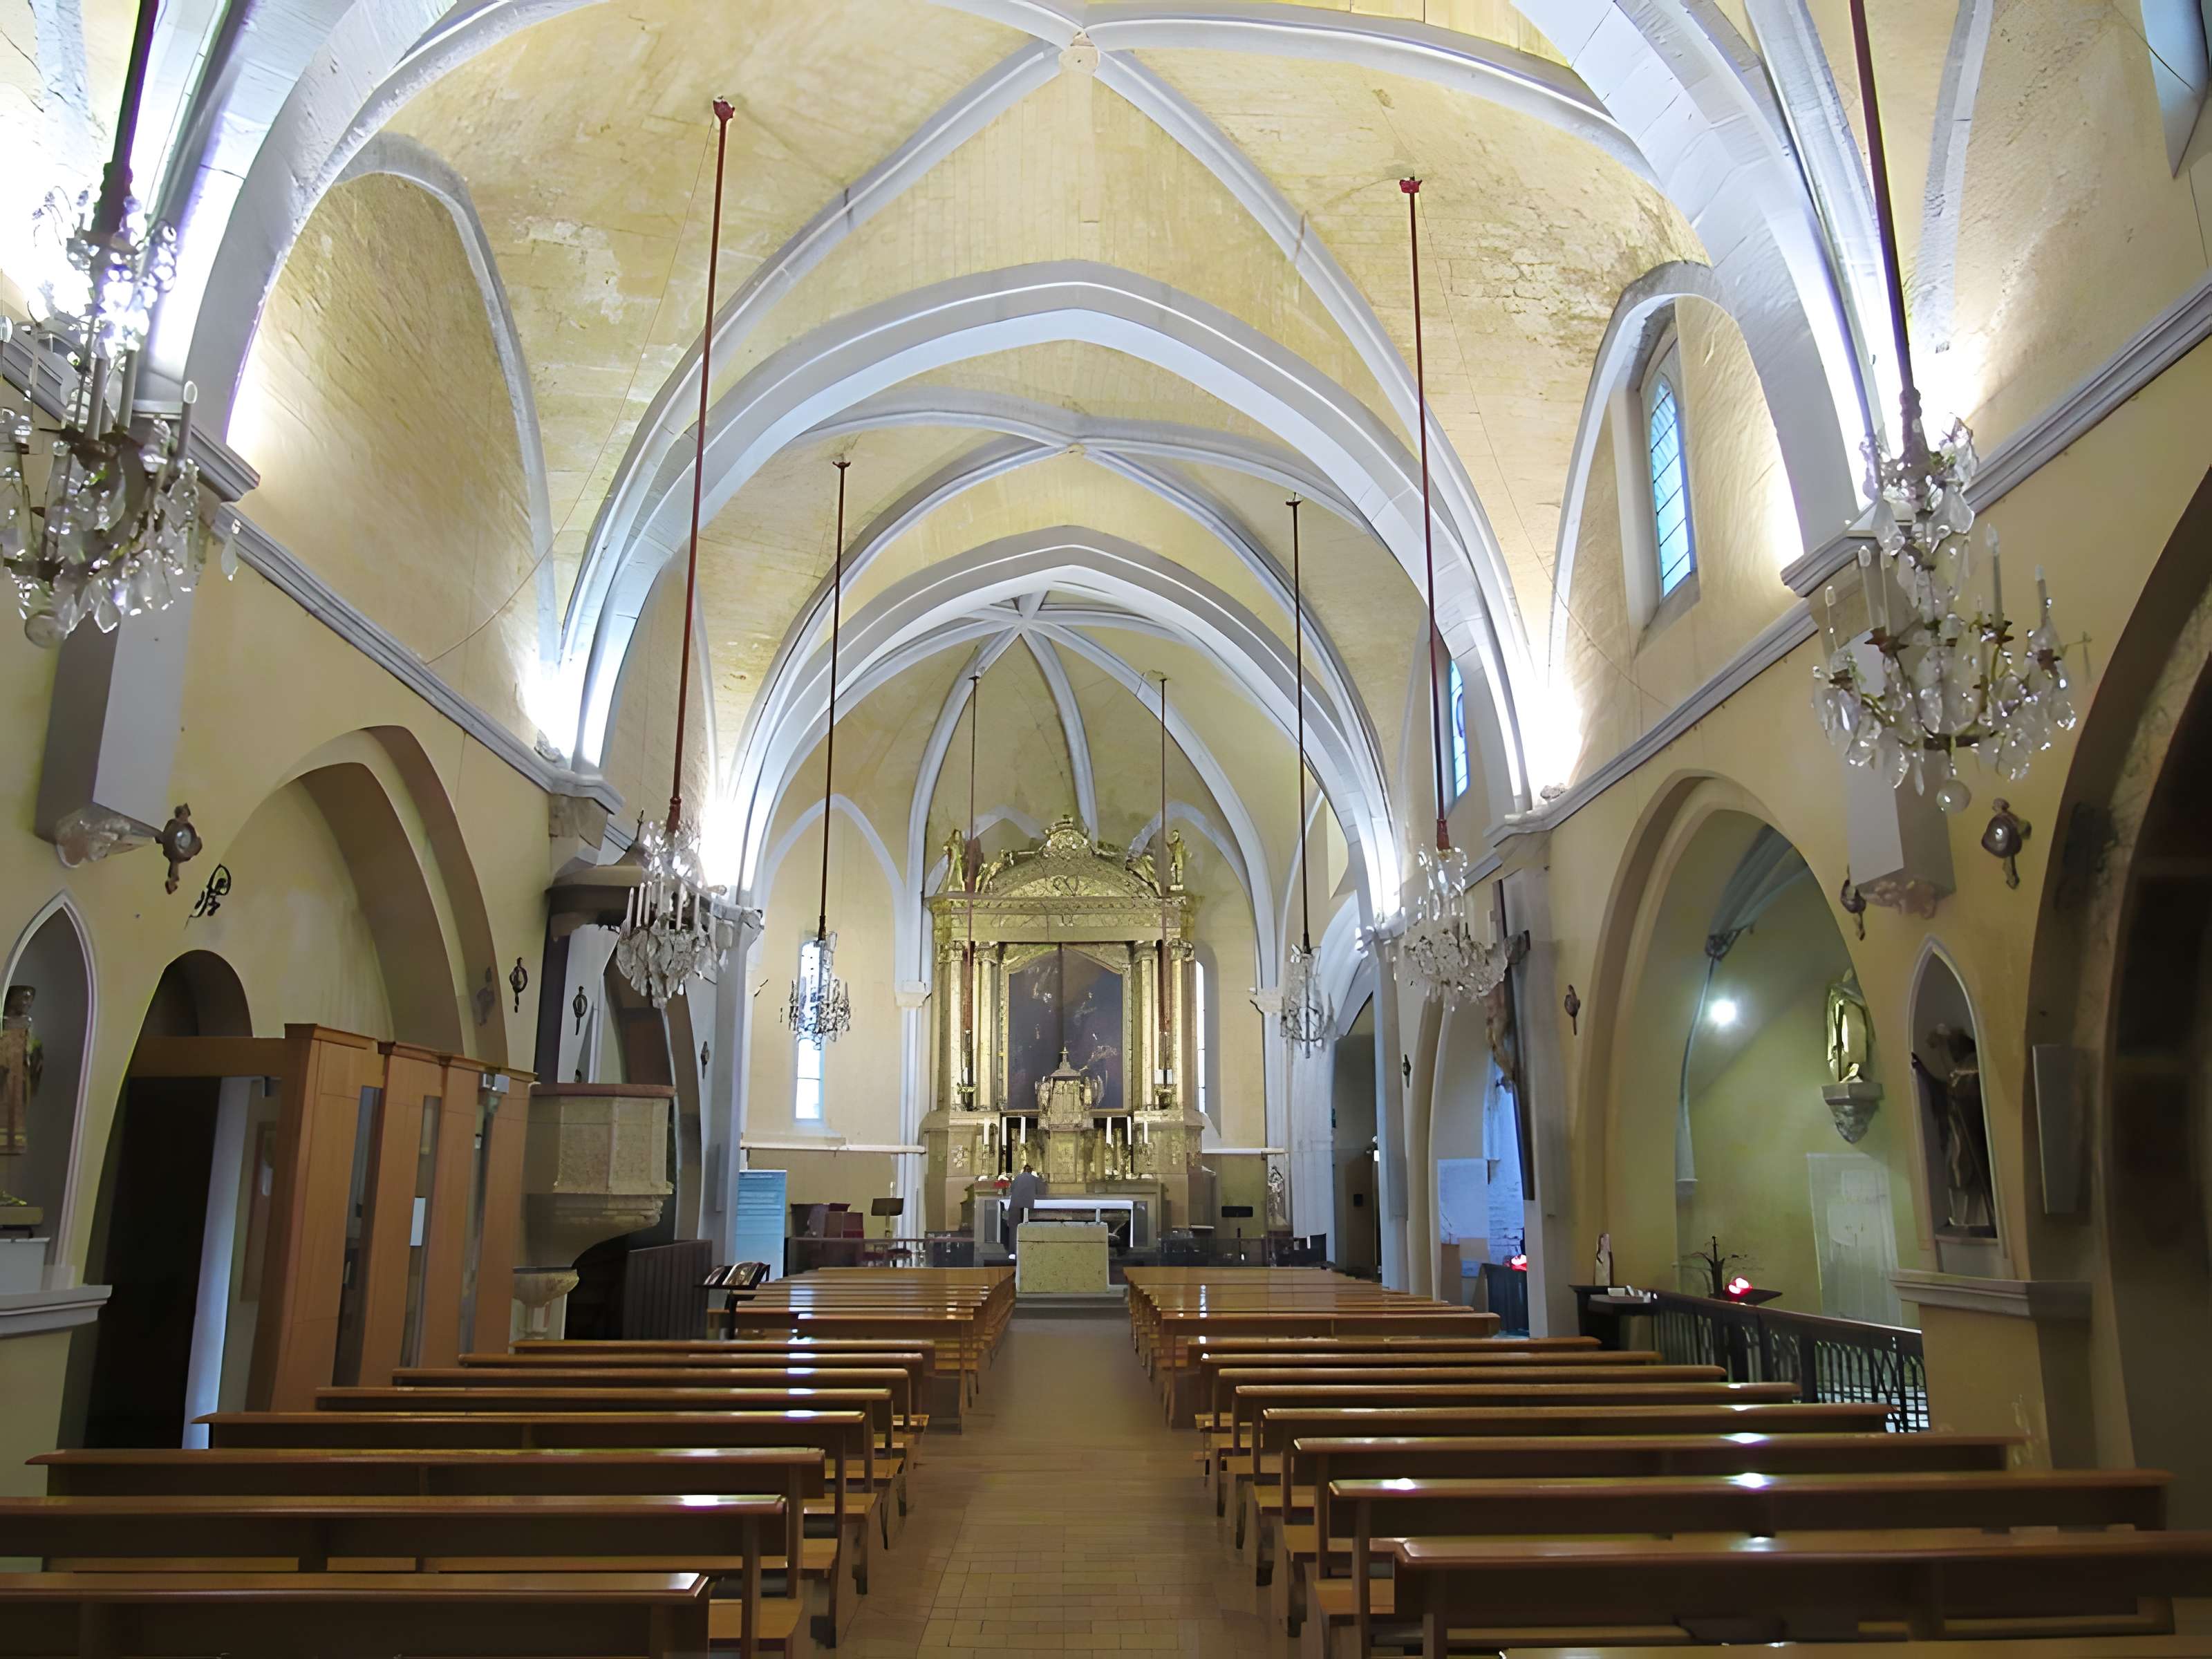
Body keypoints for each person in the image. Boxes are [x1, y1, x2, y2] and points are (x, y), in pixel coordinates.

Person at [1005, 1162, 1042, 1256]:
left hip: (1014, 1205)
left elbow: (1011, 1190)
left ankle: (1013, 1252)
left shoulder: (1017, 1178)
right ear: (1030, 1171)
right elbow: (1041, 1192)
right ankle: (1026, 1251)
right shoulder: (1034, 1179)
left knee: (1014, 1230)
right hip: (1027, 1206)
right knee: (1026, 1227)